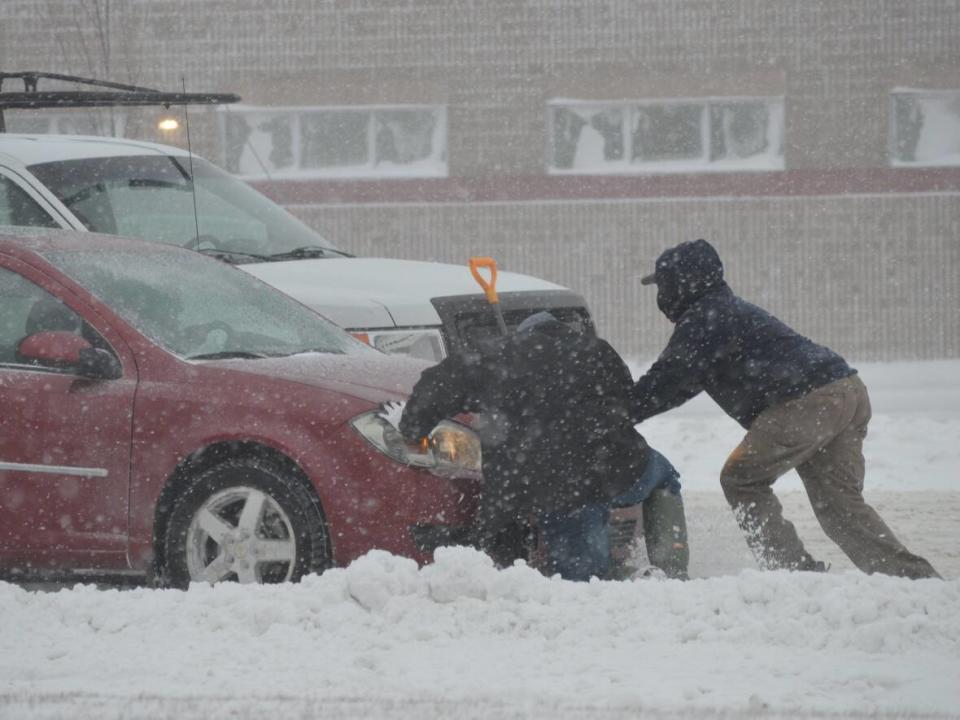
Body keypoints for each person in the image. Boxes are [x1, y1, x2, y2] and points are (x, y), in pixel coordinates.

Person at [631, 238, 940, 579]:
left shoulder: (706, 318)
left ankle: (791, 574)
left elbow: (669, 380)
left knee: (742, 479)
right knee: (839, 507)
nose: (662, 296)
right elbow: (683, 382)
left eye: (664, 284)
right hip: (846, 389)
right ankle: (914, 580)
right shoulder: (726, 311)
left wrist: (620, 413)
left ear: (682, 282)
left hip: (807, 402)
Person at [398, 311, 649, 581]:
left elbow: (437, 384)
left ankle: (515, 576)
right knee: (662, 478)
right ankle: (664, 568)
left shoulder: (496, 356)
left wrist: (414, 431)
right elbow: (627, 404)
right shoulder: (597, 352)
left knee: (510, 557)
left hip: (516, 480)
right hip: (585, 474)